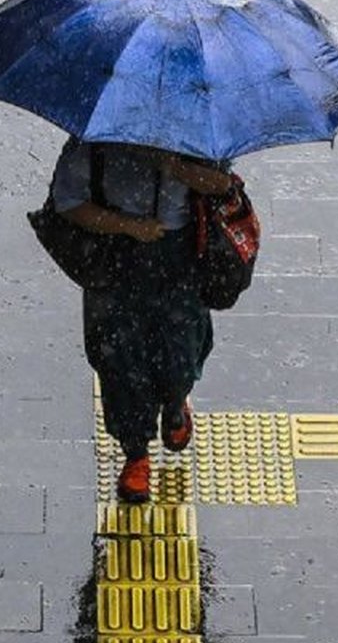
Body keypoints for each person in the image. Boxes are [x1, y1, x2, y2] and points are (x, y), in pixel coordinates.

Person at [52, 136, 234, 503]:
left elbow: (223, 185)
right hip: (117, 261)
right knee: (119, 360)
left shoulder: (196, 134)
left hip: (180, 257)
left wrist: (173, 166)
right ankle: (135, 453)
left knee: (182, 350)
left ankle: (175, 401)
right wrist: (127, 226)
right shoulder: (96, 139)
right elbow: (68, 202)